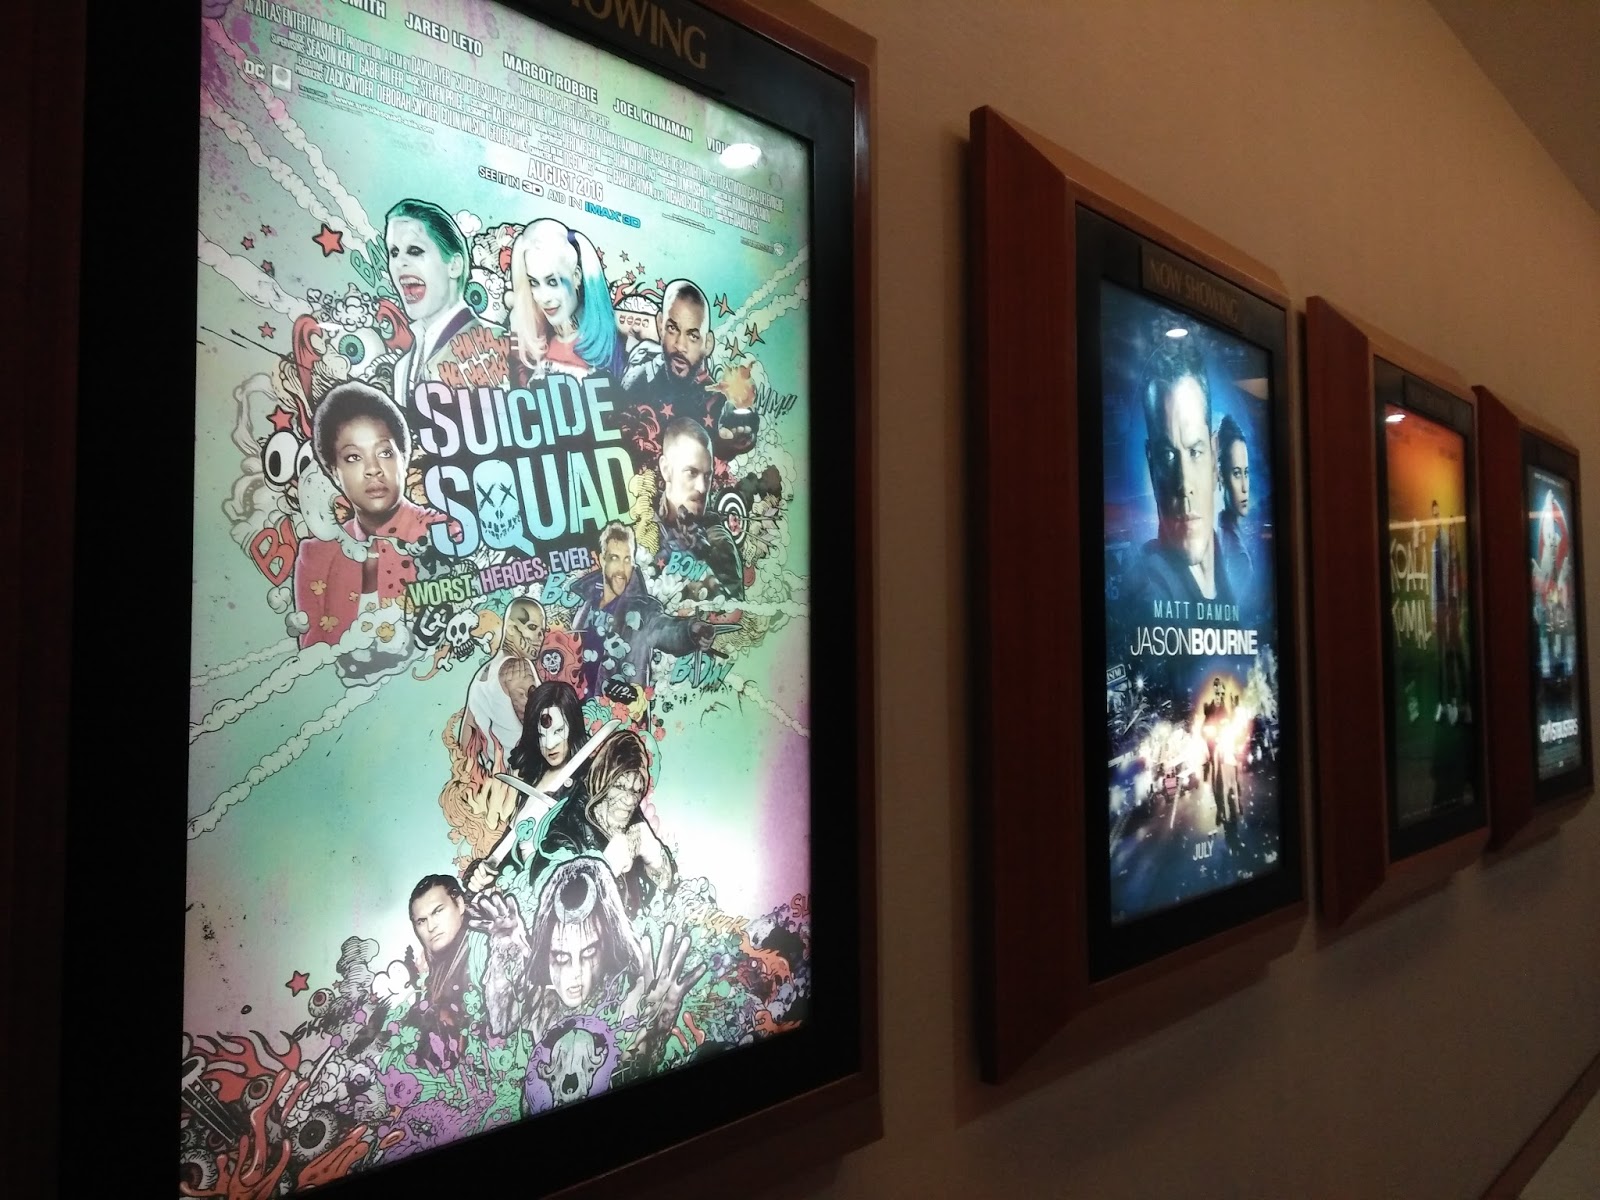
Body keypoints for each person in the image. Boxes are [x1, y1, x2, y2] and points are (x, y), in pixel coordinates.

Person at [293, 381, 443, 647]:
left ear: (404, 459)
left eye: (385, 452)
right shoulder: (315, 556)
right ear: (333, 472)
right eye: (353, 457)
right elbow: (312, 654)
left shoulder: (441, 531)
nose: (373, 469)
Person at [1122, 340, 1234, 610]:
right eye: (1168, 456)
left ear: (1214, 456)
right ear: (1152, 465)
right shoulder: (1148, 592)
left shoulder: (1226, 570)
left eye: (1195, 451)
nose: (1184, 484)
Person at [530, 729, 675, 914]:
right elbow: (552, 910)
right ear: (601, 783)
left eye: (636, 791)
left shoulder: (631, 818)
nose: (629, 800)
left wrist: (656, 858)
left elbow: (664, 895)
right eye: (620, 786)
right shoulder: (566, 834)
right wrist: (605, 867)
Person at [572, 521, 718, 700]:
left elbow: (666, 629)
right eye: (615, 558)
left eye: (627, 559)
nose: (622, 569)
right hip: (576, 712)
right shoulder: (586, 605)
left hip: (619, 713)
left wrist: (692, 631)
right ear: (603, 560)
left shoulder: (644, 610)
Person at [384, 199, 509, 407]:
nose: (399, 263)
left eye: (415, 251)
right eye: (394, 252)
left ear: (454, 265)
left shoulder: (496, 343)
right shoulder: (402, 369)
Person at [620, 278, 756, 462]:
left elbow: (719, 445)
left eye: (692, 336)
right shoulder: (639, 378)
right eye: (672, 328)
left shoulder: (716, 402)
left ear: (708, 344)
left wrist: (729, 445)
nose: (680, 345)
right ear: (660, 325)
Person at [507, 218, 625, 382]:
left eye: (553, 282)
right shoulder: (535, 340)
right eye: (534, 283)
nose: (544, 298)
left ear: (576, 276)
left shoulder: (612, 344)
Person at [654, 417, 745, 600]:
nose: (702, 488)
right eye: (692, 473)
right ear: (666, 469)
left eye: (707, 476)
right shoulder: (644, 523)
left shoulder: (717, 543)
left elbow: (733, 612)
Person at [460, 597, 546, 778]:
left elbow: (467, 743)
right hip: (526, 779)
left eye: (542, 631)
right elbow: (543, 729)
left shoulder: (483, 675)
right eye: (532, 627)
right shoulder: (519, 669)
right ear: (511, 628)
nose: (540, 637)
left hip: (499, 782)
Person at [1215, 413, 1253, 592]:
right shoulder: (1236, 553)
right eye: (1237, 473)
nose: (1245, 487)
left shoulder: (1230, 535)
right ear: (1222, 477)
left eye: (1246, 472)